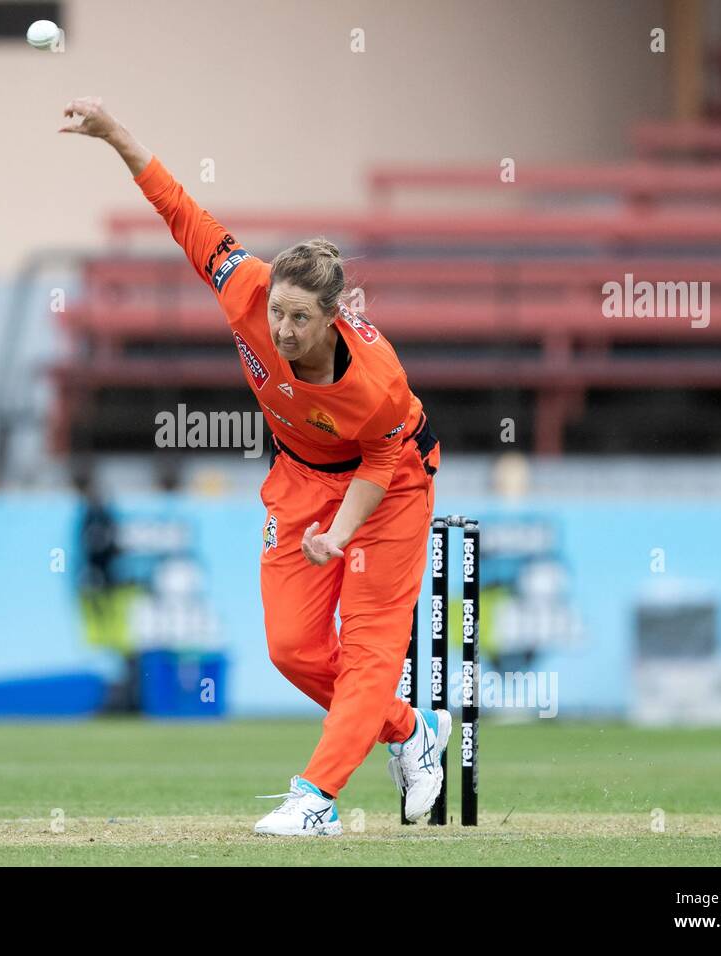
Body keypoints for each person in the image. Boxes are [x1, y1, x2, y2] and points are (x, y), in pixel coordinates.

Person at [60, 96, 447, 836]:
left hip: (391, 487)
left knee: (368, 652)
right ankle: (409, 731)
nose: (284, 329)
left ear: (334, 318)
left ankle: (317, 800)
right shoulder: (248, 293)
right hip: (300, 478)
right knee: (293, 648)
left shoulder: (377, 381)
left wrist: (341, 535)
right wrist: (116, 136)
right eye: (279, 313)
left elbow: (380, 459)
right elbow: (181, 211)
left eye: (302, 319)